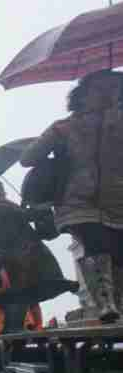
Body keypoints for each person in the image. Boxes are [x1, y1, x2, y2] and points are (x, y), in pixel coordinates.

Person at [21, 70, 123, 324]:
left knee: (118, 252)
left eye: (114, 88)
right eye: (102, 89)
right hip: (77, 201)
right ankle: (106, 304)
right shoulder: (63, 128)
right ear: (84, 94)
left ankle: (116, 304)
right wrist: (55, 150)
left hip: (118, 199)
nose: (108, 93)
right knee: (96, 244)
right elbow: (28, 158)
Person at [0, 179, 77, 333]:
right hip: (21, 258)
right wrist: (32, 210)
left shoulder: (1, 208)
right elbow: (12, 230)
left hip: (22, 257)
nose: (2, 193)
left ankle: (13, 330)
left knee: (23, 294)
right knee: (22, 294)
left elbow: (22, 220)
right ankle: (13, 330)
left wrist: (25, 209)